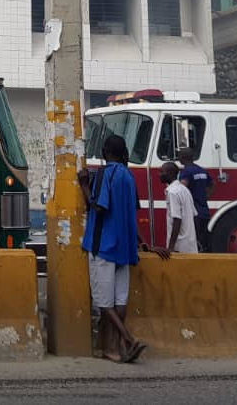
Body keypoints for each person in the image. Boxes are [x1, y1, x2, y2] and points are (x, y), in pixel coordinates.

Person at [79, 134, 168, 363]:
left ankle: (127, 339)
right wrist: (142, 242)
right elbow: (129, 212)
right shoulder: (129, 176)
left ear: (105, 152)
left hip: (103, 245)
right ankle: (113, 348)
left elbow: (98, 207)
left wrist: (84, 186)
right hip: (125, 247)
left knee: (103, 301)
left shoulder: (105, 174)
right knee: (120, 300)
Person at [178, 147, 213, 251]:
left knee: (194, 239)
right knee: (203, 238)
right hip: (204, 210)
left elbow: (182, 188)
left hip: (193, 211)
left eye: (179, 156)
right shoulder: (202, 170)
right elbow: (212, 184)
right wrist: (206, 196)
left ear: (183, 158)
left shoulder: (186, 172)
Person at [160, 161, 199, 255]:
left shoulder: (172, 192)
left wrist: (171, 248)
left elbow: (177, 219)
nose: (160, 175)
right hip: (190, 244)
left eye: (162, 172)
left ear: (170, 173)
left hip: (179, 246)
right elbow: (194, 215)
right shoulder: (185, 190)